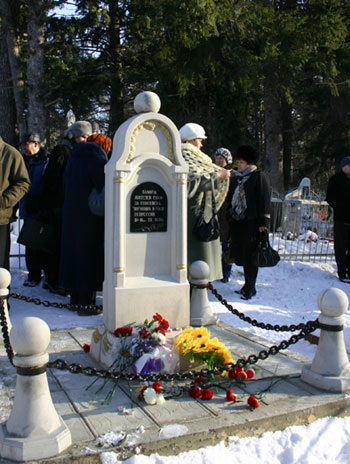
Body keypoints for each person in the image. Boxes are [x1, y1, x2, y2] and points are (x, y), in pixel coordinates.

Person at [39, 121, 92, 295]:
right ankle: (53, 280)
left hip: (65, 206)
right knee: (55, 246)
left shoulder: (74, 151)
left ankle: (58, 280)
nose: (85, 140)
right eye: (82, 136)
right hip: (58, 206)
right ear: (74, 135)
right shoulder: (63, 151)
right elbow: (52, 180)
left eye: (87, 137)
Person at [179, 123, 231, 282]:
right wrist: (218, 176)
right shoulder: (185, 155)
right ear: (192, 140)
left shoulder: (195, 157)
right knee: (195, 263)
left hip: (200, 215)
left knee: (199, 265)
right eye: (200, 140)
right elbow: (190, 181)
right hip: (194, 219)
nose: (201, 144)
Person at [60, 142, 107, 313]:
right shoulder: (98, 161)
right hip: (90, 218)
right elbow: (104, 185)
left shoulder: (73, 159)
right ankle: (87, 303)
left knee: (74, 257)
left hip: (72, 215)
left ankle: (75, 300)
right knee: (89, 258)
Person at [226, 145, 271, 300]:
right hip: (240, 222)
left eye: (241, 162)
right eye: (237, 162)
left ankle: (251, 287)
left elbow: (264, 199)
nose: (238, 165)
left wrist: (263, 221)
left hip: (253, 223)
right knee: (244, 255)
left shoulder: (258, 176)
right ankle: (246, 285)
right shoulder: (237, 178)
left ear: (249, 163)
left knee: (252, 256)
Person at [19, 133, 49, 286]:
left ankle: (42, 273)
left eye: (27, 144)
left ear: (36, 144)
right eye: (23, 145)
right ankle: (33, 275)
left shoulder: (45, 161)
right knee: (30, 244)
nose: (24, 147)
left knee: (42, 244)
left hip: (39, 207)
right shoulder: (23, 161)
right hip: (28, 207)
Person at [0, 136, 31, 270]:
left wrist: (3, 201)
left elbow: (23, 183)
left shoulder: (10, 154)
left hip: (1, 219)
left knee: (1, 269)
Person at [326, 156, 350, 283]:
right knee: (341, 247)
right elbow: (330, 197)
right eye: (348, 165)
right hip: (341, 218)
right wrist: (340, 205)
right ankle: (342, 272)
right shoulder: (336, 180)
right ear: (343, 166)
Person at [214, 148, 233, 283]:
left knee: (226, 246)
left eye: (222, 158)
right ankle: (214, 271)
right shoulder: (212, 173)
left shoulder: (232, 175)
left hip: (227, 215)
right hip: (214, 212)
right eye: (218, 157)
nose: (219, 160)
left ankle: (225, 272)